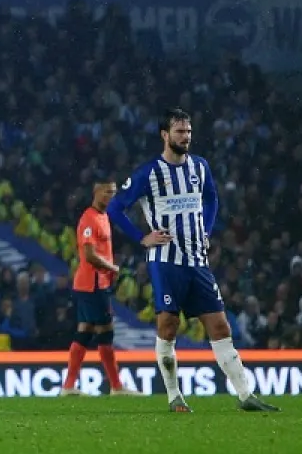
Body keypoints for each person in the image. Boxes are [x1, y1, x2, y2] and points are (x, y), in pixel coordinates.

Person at [108, 109, 280, 414]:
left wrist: (207, 230)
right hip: (165, 261)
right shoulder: (149, 173)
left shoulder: (200, 166)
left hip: (197, 261)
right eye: (179, 132)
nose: (185, 137)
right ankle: (175, 397)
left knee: (220, 324)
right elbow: (114, 208)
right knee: (169, 324)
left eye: (188, 131)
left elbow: (212, 198)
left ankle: (246, 396)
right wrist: (141, 237)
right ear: (165, 135)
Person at [61, 179, 130, 396]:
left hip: (96, 284)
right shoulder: (89, 219)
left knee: (85, 331)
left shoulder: (103, 216)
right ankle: (116, 387)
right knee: (105, 332)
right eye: (108, 192)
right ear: (96, 191)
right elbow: (90, 255)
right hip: (92, 284)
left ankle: (69, 386)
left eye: (114, 192)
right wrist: (113, 268)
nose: (111, 196)